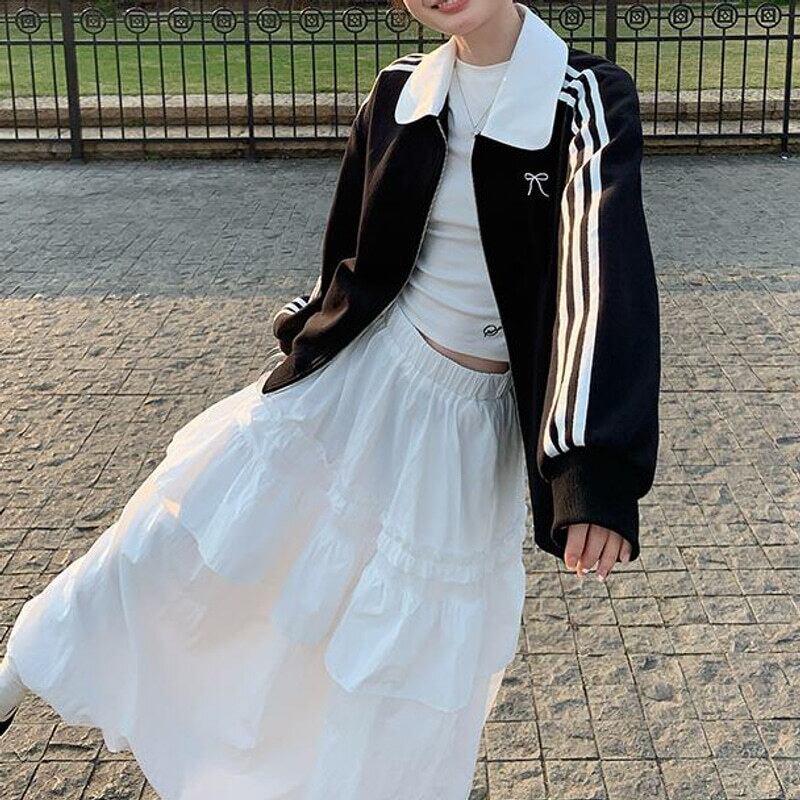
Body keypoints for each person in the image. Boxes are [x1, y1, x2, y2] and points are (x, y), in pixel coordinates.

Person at [0, 0, 660, 797]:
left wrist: (591, 472)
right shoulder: (400, 92)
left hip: (465, 432)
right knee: (186, 530)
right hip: (361, 384)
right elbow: (349, 247)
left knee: (403, 661)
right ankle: (29, 660)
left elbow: (603, 273)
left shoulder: (582, 97)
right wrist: (303, 336)